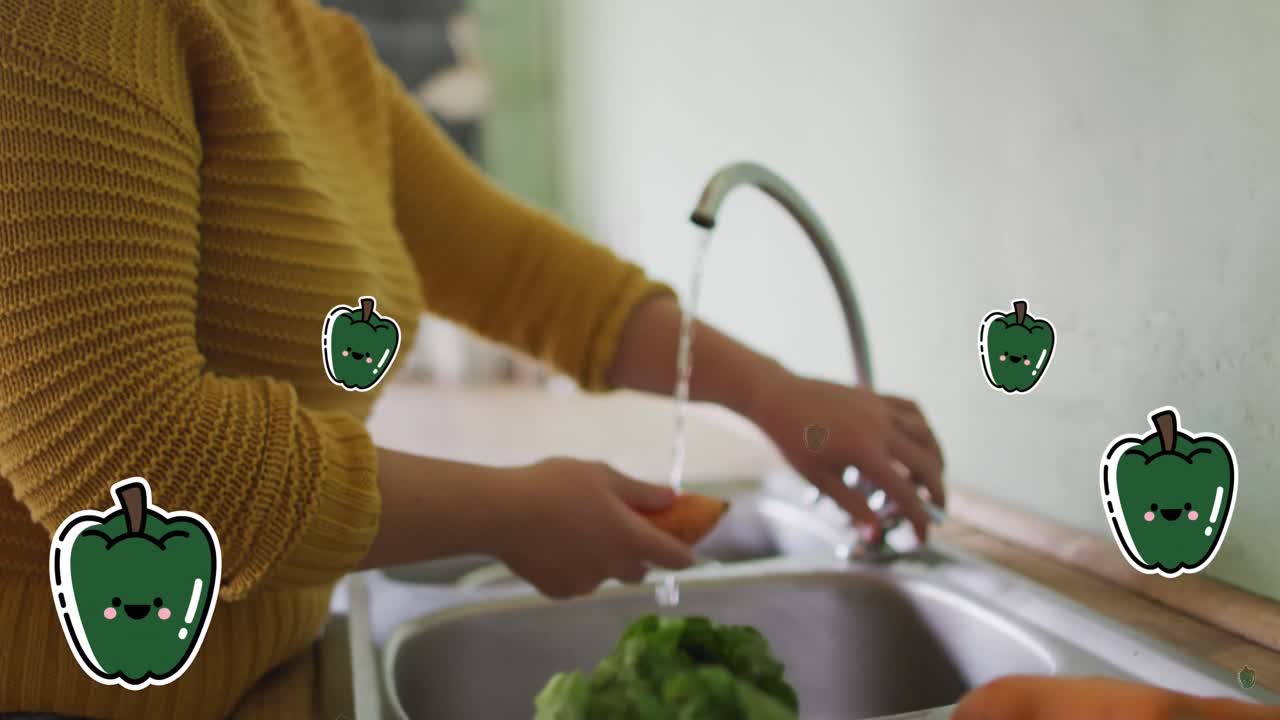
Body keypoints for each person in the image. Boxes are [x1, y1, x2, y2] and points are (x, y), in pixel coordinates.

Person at [0, 0, 944, 718]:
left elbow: (532, 276)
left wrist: (775, 394)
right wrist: (512, 513)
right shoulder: (68, 23)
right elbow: (142, 478)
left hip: (259, 684)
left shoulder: (315, 49)